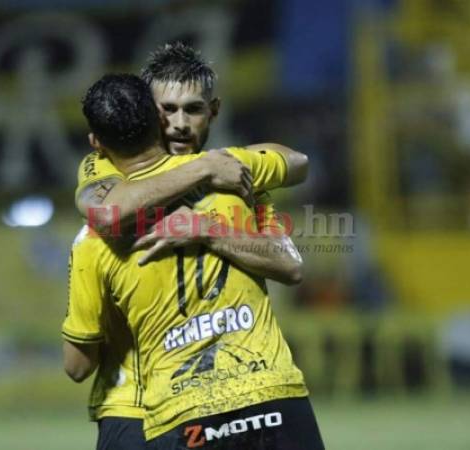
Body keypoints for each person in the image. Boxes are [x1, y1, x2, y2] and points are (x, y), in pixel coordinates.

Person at [64, 44, 310, 450]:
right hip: (130, 403)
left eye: (192, 109)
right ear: (147, 111)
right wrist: (204, 168)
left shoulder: (237, 175)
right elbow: (105, 211)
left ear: (213, 110)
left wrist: (206, 226)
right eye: (167, 110)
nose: (179, 124)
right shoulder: (108, 168)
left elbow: (291, 258)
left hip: (210, 399)